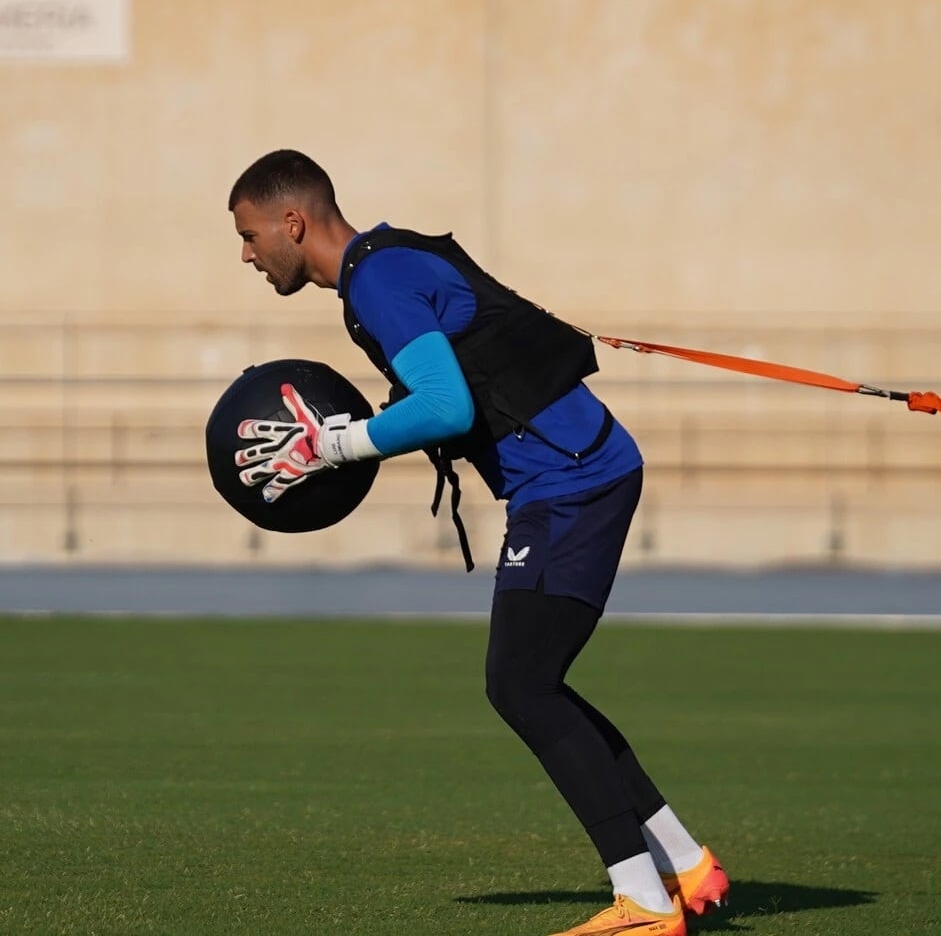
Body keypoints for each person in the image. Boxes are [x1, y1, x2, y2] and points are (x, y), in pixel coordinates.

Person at [226, 149, 730, 936]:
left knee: (521, 684)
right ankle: (684, 864)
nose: (247, 254)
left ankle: (645, 902)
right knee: (534, 682)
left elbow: (445, 405)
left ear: (293, 221)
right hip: (569, 478)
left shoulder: (379, 283)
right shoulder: (383, 267)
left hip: (574, 482)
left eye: (252, 234)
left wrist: (335, 445)